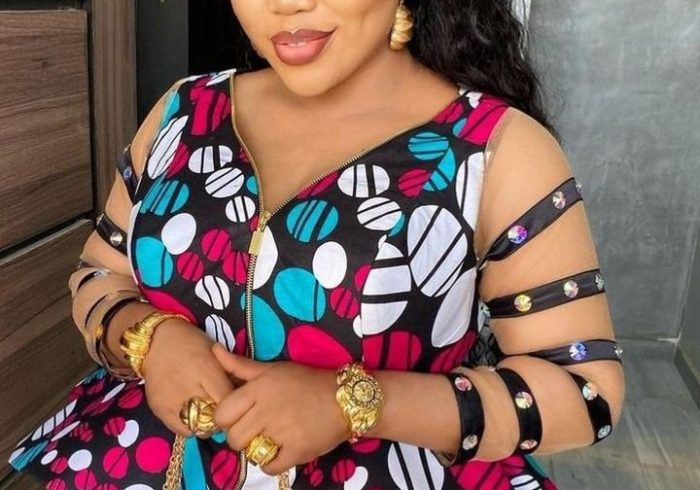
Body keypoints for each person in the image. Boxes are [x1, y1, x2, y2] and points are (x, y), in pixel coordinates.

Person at [8, 1, 625, 489]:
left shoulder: (496, 148)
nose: (285, 4)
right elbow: (99, 273)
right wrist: (149, 338)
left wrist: (356, 403)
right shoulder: (182, 111)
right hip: (139, 463)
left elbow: (585, 391)